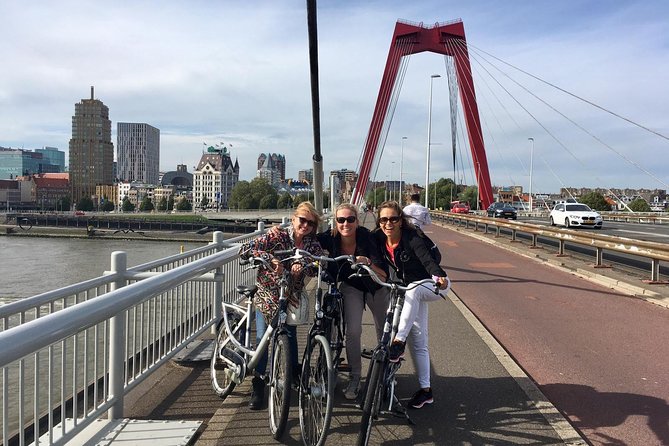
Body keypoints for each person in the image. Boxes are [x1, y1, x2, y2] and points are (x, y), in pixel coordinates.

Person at [238, 202, 324, 410]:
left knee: (290, 333)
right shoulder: (276, 235)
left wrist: (303, 264)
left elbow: (320, 262)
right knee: (263, 338)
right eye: (302, 220)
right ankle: (258, 384)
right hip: (268, 293)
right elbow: (245, 251)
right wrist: (271, 258)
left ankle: (293, 373)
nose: (305, 225)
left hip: (290, 295)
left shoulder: (312, 244)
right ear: (293, 219)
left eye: (310, 223)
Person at [373, 200, 450, 409]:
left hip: (432, 284)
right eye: (384, 219)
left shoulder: (412, 237)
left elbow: (427, 259)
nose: (388, 223)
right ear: (379, 222)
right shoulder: (379, 238)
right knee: (419, 339)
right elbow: (360, 241)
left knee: (414, 289)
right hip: (408, 291)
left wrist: (439, 276)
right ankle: (426, 391)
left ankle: (398, 343)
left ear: (400, 221)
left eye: (393, 219)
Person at [316, 203, 389, 400]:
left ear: (357, 221)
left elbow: (383, 275)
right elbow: (306, 241)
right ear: (335, 222)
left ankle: (384, 375)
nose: (345, 223)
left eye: (350, 219)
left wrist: (368, 263)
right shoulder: (329, 238)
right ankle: (355, 377)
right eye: (341, 220)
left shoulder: (368, 238)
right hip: (352, 286)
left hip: (376, 286)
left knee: (384, 331)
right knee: (353, 331)